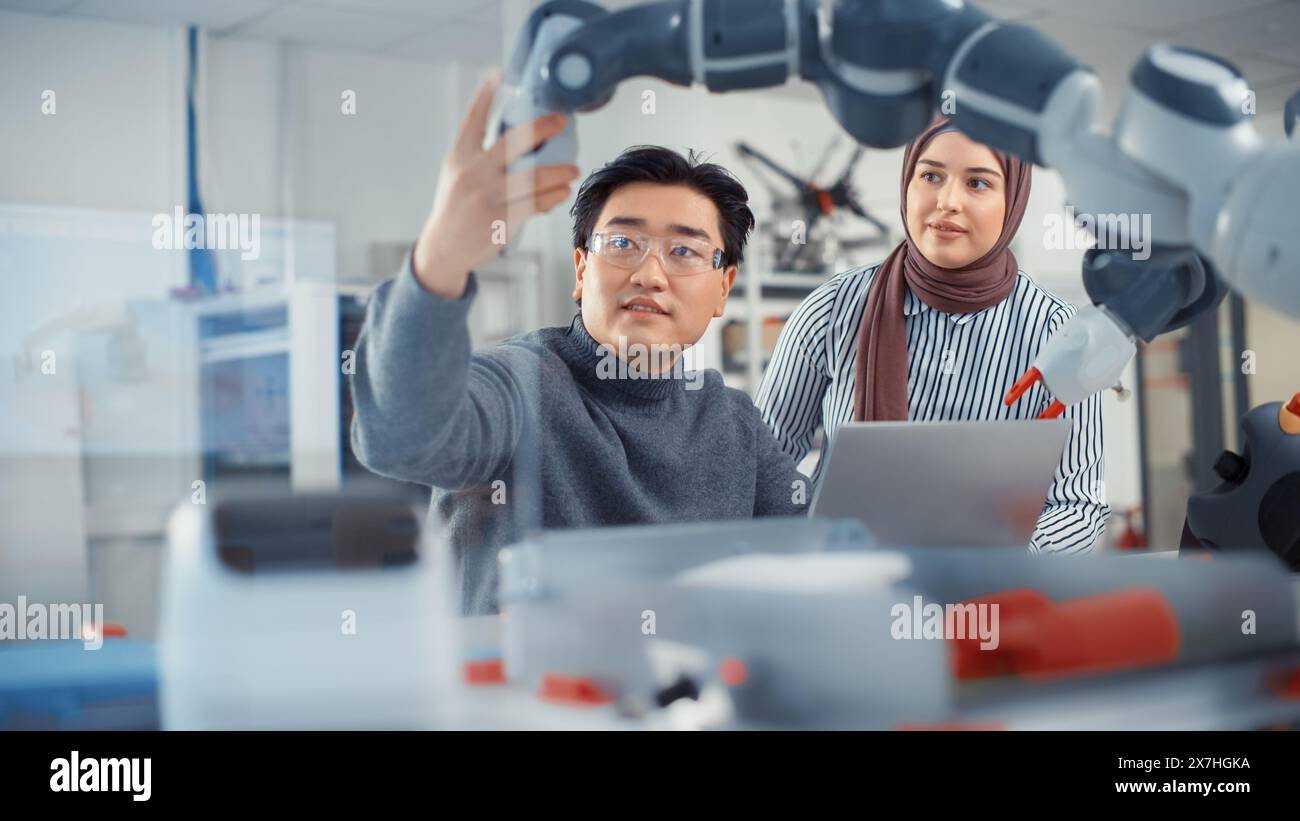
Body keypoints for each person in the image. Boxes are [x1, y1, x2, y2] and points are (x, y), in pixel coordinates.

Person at [349, 71, 808, 614]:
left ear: (722, 288)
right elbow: (402, 438)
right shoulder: (520, 383)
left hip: (686, 694)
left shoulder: (733, 422)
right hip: (521, 693)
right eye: (622, 243)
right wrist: (439, 259)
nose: (649, 275)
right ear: (581, 268)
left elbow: (816, 555)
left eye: (683, 252)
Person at [756, 117, 1109, 554]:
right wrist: (812, 542)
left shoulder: (1059, 335)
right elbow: (762, 471)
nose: (947, 201)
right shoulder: (831, 310)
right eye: (931, 176)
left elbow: (1078, 506)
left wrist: (1001, 559)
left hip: (989, 604)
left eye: (977, 183)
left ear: (1013, 200)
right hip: (844, 586)